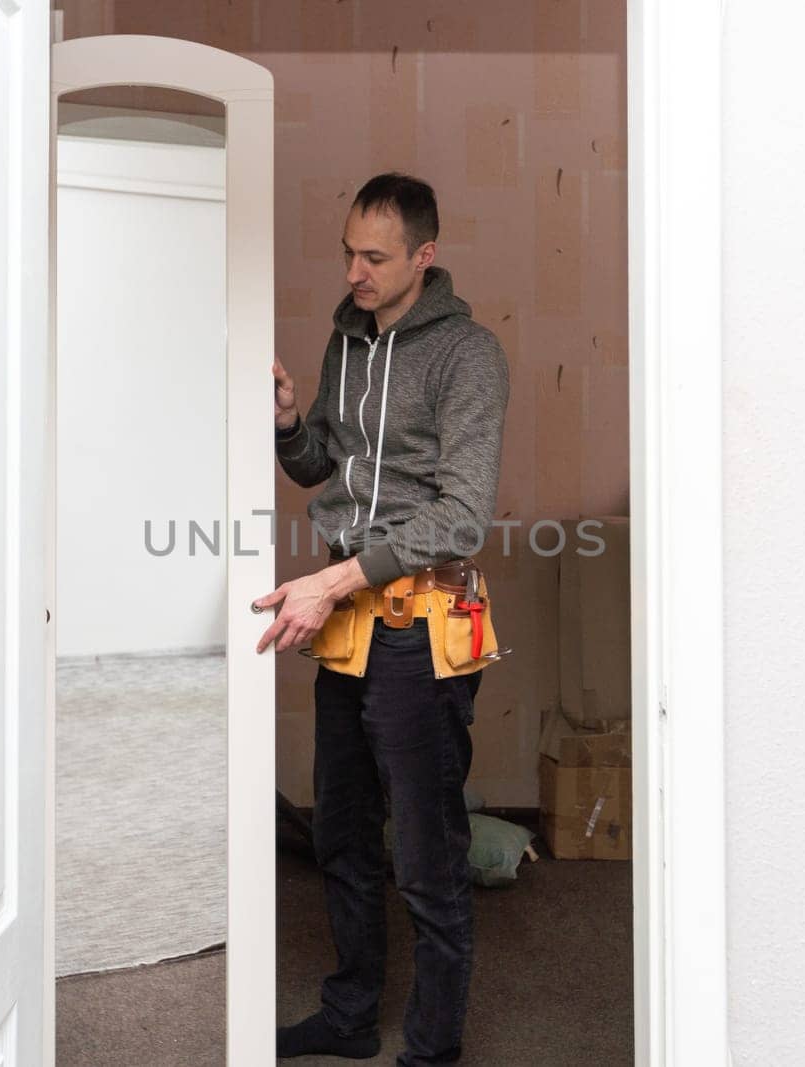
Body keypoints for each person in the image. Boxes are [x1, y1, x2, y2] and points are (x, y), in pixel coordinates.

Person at [252, 172, 510, 1066]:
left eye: (375, 257)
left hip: (420, 625)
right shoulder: (346, 341)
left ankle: (433, 1049)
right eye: (347, 252)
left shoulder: (467, 355)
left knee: (428, 859)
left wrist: (332, 582)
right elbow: (325, 462)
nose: (354, 271)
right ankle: (352, 1014)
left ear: (424, 257)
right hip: (349, 625)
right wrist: (290, 423)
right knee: (342, 834)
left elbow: (462, 513)